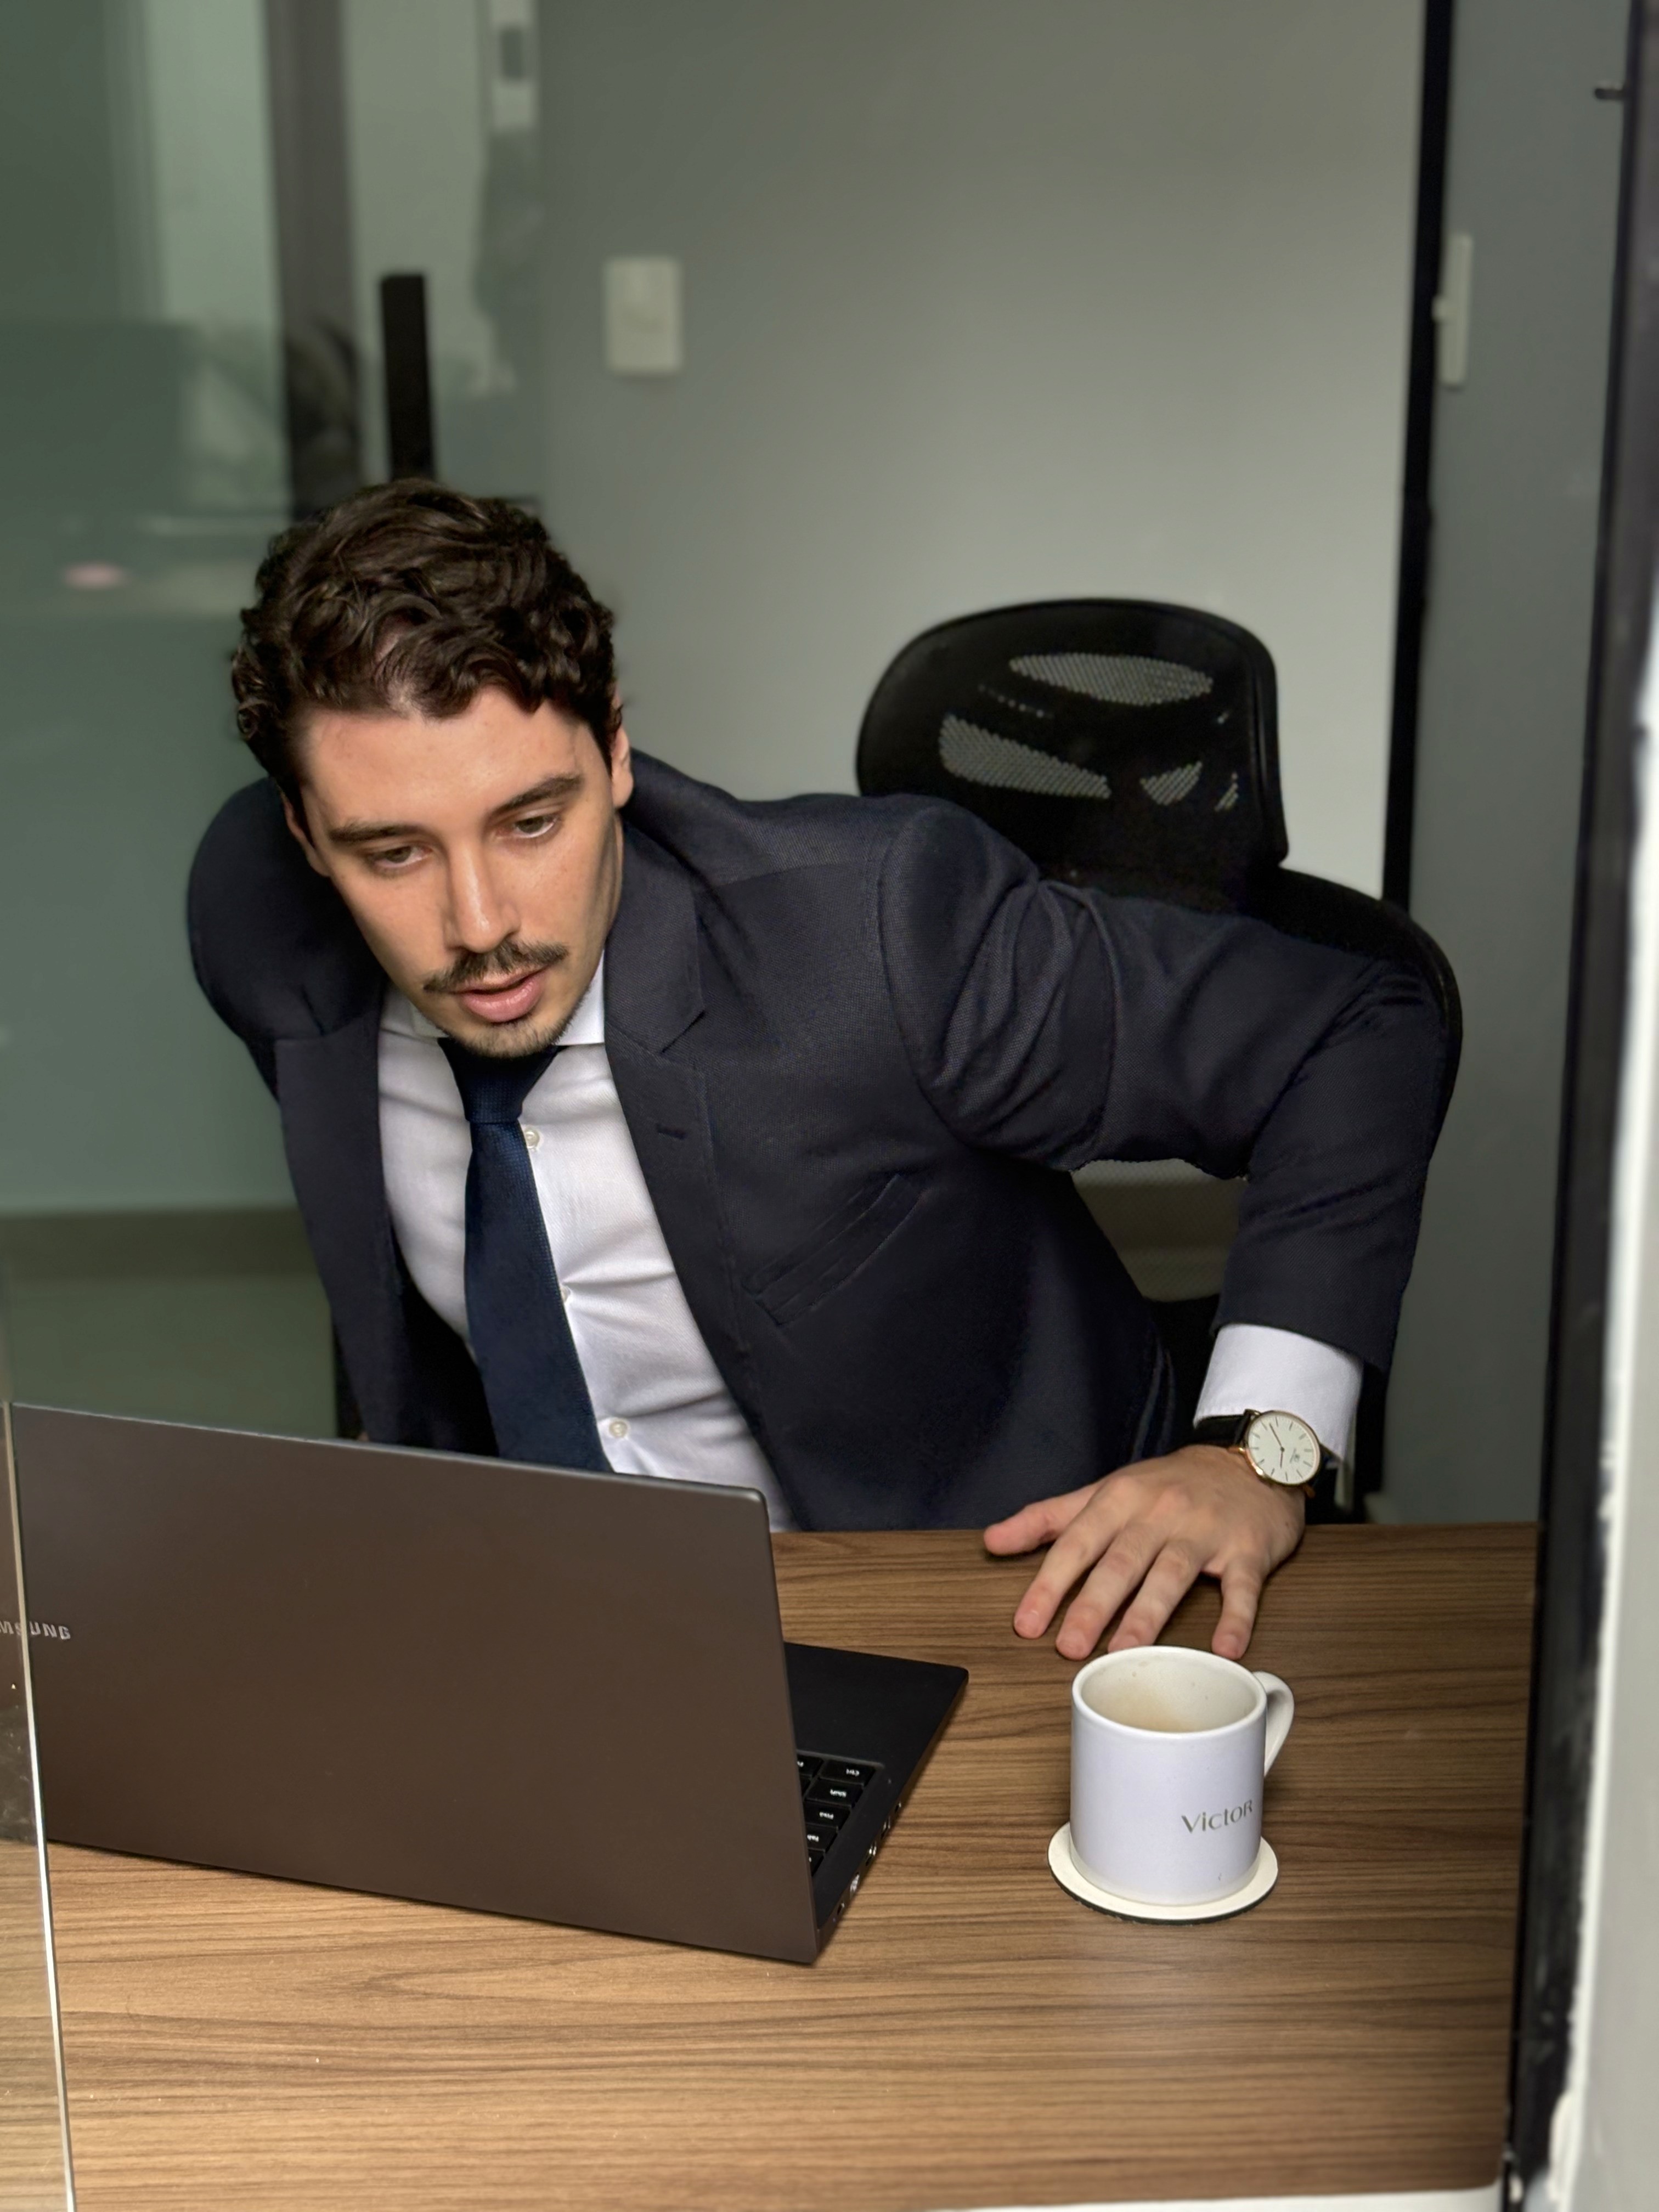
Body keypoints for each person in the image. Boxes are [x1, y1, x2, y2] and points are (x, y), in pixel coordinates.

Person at [189, 482, 1446, 1664]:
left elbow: (1354, 1025)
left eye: (532, 823)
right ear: (306, 834)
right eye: (393, 854)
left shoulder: (880, 939)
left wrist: (1256, 1452)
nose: (479, 926)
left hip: (994, 1604)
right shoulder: (265, 938)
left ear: (616, 750)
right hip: (577, 1631)